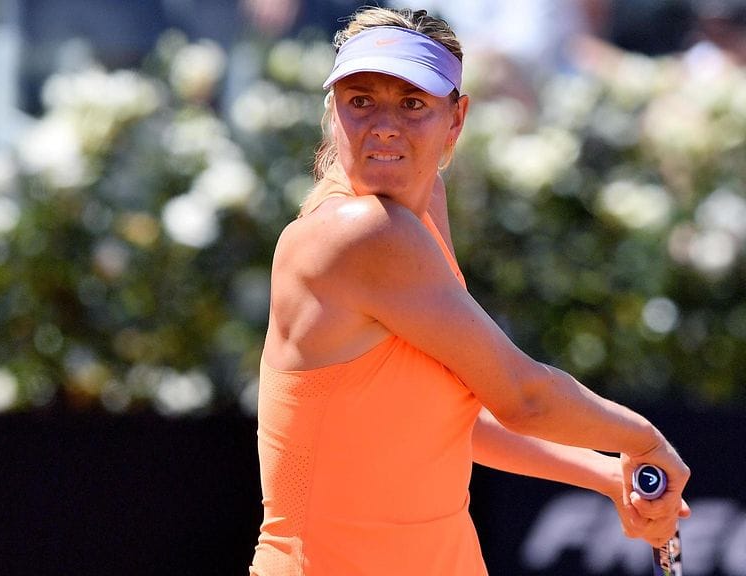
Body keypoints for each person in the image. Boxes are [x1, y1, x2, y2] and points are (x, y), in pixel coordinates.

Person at [249, 6, 691, 575]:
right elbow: (523, 396)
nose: (384, 125)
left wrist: (606, 473)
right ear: (333, 112)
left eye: (413, 104)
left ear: (455, 120)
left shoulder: (422, 205)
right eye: (361, 101)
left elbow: (449, 412)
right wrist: (643, 440)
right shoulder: (360, 232)